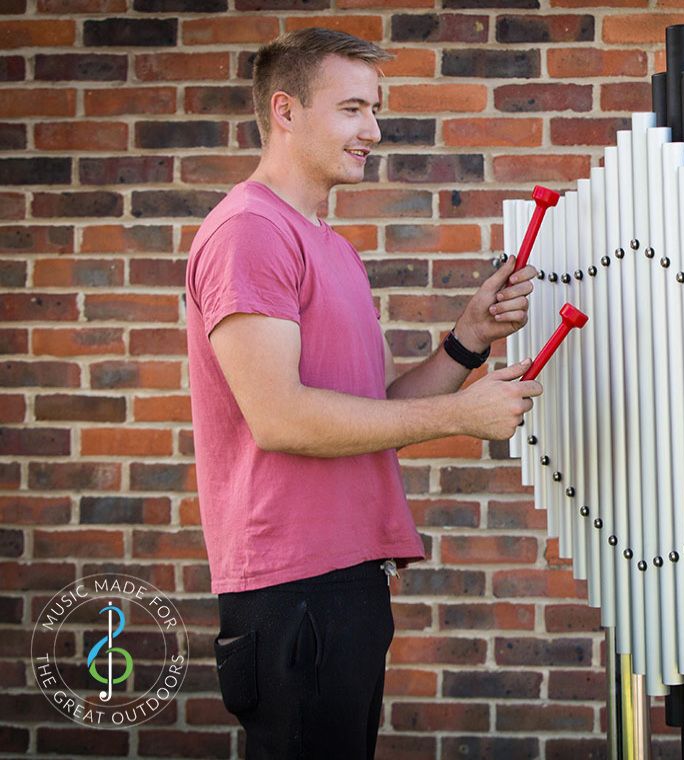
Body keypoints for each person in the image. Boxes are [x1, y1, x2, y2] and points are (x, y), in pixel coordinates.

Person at [184, 28, 542, 759]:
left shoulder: (331, 245)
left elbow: (380, 409)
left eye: (373, 109)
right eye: (352, 109)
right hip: (292, 590)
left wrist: (467, 338)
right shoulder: (250, 233)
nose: (372, 131)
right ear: (285, 111)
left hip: (346, 581)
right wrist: (462, 415)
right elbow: (280, 418)